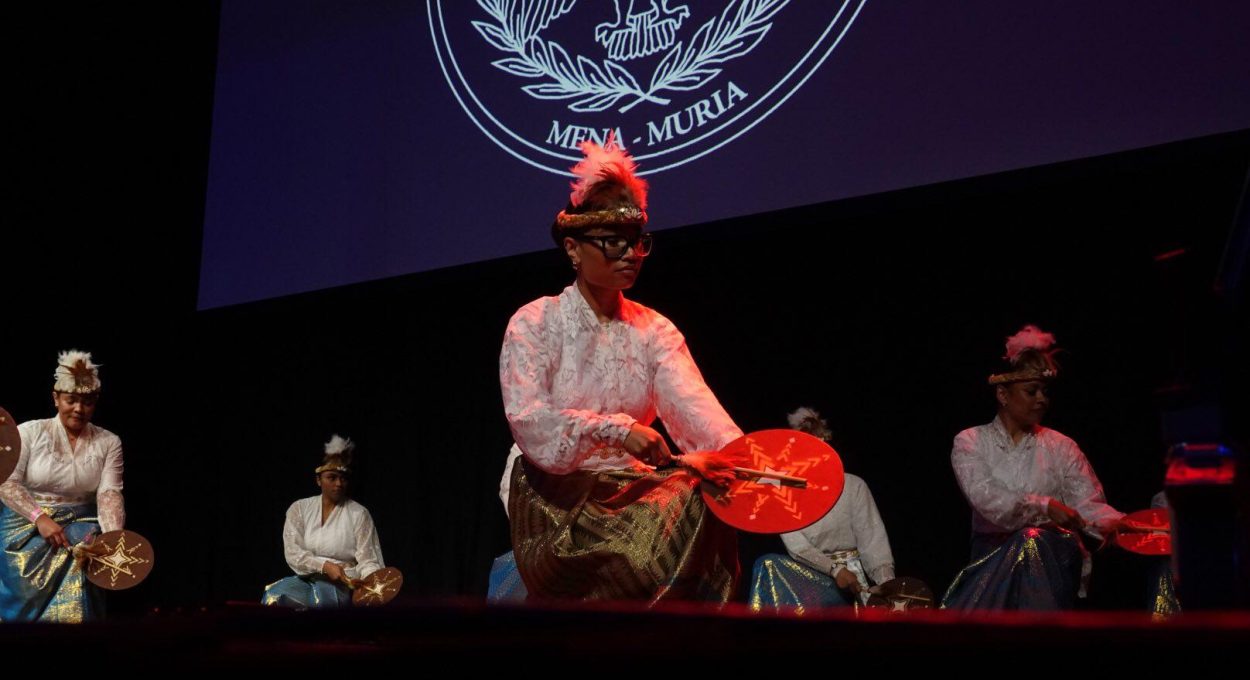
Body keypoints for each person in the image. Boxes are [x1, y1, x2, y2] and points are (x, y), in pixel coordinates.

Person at [501, 137, 743, 603]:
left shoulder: (654, 330)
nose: (631, 254)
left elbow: (696, 408)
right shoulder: (535, 321)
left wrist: (742, 462)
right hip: (553, 495)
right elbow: (530, 420)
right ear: (573, 249)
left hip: (632, 492)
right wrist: (617, 430)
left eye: (637, 242)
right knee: (645, 542)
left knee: (705, 495)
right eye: (614, 243)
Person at [941, 325, 1124, 610]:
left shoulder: (1061, 446)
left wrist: (1122, 525)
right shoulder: (971, 441)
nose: (1041, 399)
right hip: (991, 560)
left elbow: (1088, 506)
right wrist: (1044, 506)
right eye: (1031, 391)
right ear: (1003, 395)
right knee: (1027, 540)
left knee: (1032, 541)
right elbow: (986, 497)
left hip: (1052, 558)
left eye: (1045, 391)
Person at [0, 350, 124, 622]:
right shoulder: (29, 433)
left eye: (87, 402)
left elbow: (109, 493)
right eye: (71, 400)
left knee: (86, 547)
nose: (79, 409)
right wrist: (40, 518)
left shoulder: (109, 442)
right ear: (55, 398)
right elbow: (7, 482)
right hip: (27, 524)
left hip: (81, 525)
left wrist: (114, 538)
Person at [750, 408, 896, 611]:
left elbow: (872, 540)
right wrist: (834, 570)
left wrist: (887, 585)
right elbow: (798, 546)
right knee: (767, 563)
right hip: (809, 577)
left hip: (853, 578)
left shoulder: (852, 485)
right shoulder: (784, 492)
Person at [262, 435, 384, 609]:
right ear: (318, 480)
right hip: (307, 579)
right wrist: (325, 566)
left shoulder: (359, 513)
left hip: (342, 583)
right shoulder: (299, 509)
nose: (339, 483)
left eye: (343, 478)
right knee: (274, 596)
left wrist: (370, 584)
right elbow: (293, 552)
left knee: (324, 602)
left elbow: (368, 560)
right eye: (332, 477)